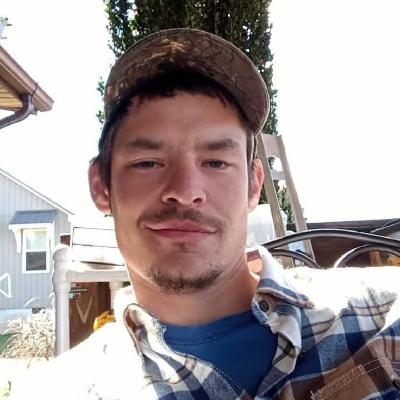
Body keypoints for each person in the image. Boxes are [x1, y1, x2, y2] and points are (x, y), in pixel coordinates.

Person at [10, 28, 400, 400]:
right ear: (101, 186)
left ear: (253, 186)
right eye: (148, 163)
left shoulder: (386, 318)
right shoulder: (58, 391)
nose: (185, 191)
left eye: (216, 162)